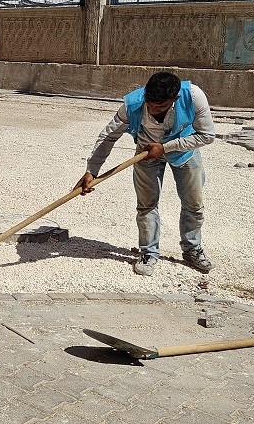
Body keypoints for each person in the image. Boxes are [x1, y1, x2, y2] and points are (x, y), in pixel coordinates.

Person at [76, 71, 216, 276]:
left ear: (174, 99)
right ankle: (149, 252)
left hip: (184, 152)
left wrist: (166, 147)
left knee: (193, 205)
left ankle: (192, 250)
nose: (152, 109)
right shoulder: (133, 104)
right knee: (146, 205)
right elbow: (108, 137)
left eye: (159, 107)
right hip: (145, 155)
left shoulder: (193, 96)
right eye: (149, 104)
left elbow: (207, 135)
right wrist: (92, 171)